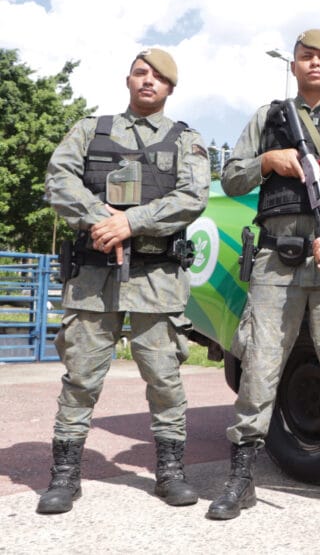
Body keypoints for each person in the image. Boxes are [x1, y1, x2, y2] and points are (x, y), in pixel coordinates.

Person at [208, 29, 320, 520]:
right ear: (293, 65)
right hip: (275, 265)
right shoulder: (268, 119)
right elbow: (229, 177)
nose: (314, 64)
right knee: (260, 370)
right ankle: (241, 477)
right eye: (306, 57)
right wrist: (268, 161)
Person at [38, 48, 210, 514]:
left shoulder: (186, 140)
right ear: (127, 80)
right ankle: (65, 475)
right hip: (94, 276)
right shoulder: (89, 132)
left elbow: (194, 197)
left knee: (165, 377)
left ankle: (170, 472)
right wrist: (102, 219)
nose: (148, 81)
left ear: (171, 88)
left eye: (158, 77)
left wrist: (131, 223)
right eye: (140, 73)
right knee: (81, 377)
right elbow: (58, 181)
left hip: (157, 277)